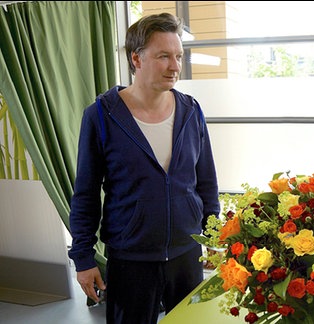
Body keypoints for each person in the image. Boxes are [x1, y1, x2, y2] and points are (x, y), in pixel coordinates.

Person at [67, 13, 220, 324]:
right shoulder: (100, 115)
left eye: (178, 56)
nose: (175, 66)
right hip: (130, 259)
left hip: (186, 253)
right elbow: (85, 193)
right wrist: (83, 257)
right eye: (164, 56)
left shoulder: (192, 111)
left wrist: (213, 234)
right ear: (136, 58)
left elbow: (206, 182)